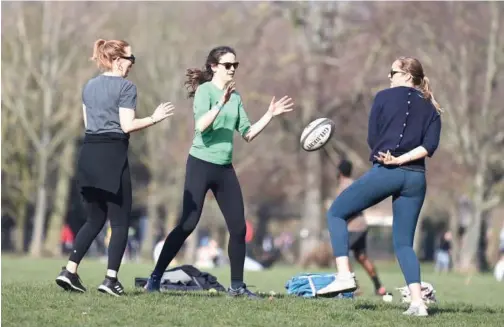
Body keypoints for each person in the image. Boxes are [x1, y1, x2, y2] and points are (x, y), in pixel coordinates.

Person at [145, 45, 294, 297]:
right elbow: (201, 126)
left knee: (238, 228)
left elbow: (247, 134)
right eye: (228, 65)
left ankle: (236, 287)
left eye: (235, 65)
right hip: (200, 163)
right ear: (214, 67)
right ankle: (155, 277)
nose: (233, 69)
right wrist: (220, 103)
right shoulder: (205, 92)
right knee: (188, 223)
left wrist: (269, 114)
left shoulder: (235, 98)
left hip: (224, 168)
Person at [318, 57, 442, 317]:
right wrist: (405, 158)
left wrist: (393, 159)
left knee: (337, 213)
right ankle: (418, 303)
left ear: (407, 75)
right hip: (416, 178)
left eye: (393, 72)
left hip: (388, 172)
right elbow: (428, 148)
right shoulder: (431, 107)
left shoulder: (384, 97)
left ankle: (344, 276)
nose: (389, 76)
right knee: (404, 244)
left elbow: (373, 138)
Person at [55, 39, 175, 296]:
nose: (133, 64)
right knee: (119, 222)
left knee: (94, 218)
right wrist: (155, 118)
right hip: (113, 156)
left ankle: (70, 271)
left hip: (88, 155)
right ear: (118, 60)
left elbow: (89, 123)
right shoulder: (126, 87)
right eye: (131, 59)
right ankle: (110, 279)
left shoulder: (88, 86)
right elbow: (126, 125)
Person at [334, 159, 387, 296]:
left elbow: (343, 208)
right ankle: (379, 287)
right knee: (362, 256)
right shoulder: (356, 183)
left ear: (339, 172)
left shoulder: (343, 186)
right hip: (362, 225)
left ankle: (352, 286)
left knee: (341, 255)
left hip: (352, 227)